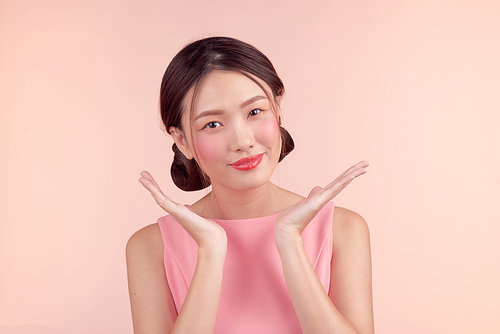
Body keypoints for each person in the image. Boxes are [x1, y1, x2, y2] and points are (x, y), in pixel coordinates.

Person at [126, 36, 374, 334]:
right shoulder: (151, 247)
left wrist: (290, 241)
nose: (243, 141)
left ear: (277, 110)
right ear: (182, 141)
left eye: (255, 112)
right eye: (213, 124)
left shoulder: (342, 229)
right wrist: (210, 250)